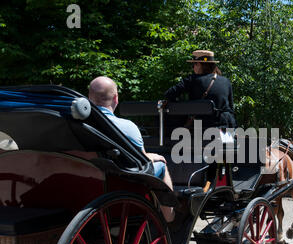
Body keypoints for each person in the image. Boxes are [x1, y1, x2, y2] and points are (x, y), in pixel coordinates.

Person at [88, 76, 175, 222]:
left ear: (89, 98)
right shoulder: (128, 127)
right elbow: (140, 161)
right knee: (161, 164)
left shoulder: (78, 125)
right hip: (118, 183)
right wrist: (151, 156)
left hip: (86, 182)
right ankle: (170, 219)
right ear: (116, 98)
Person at [164, 50, 237, 129]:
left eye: (193, 64)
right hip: (225, 127)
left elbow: (169, 93)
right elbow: (231, 107)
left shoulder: (192, 80)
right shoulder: (226, 81)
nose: (193, 68)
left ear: (198, 64)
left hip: (201, 129)